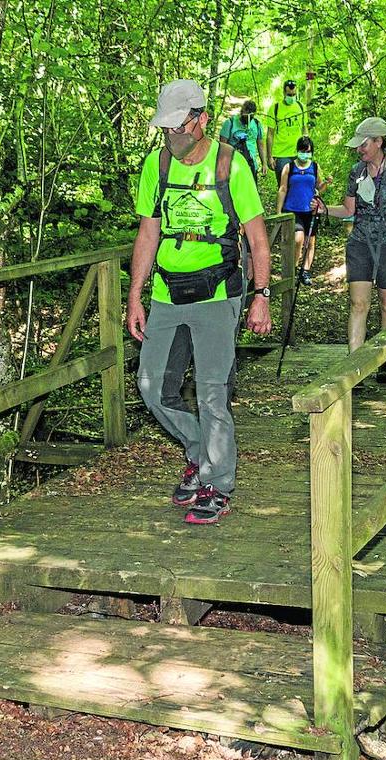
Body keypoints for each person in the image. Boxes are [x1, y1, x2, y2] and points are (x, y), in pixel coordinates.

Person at [127, 79, 272, 525]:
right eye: (166, 129)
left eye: (179, 127)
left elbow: (258, 239)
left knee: (212, 393)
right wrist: (135, 295)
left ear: (201, 119)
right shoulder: (158, 165)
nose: (173, 136)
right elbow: (148, 232)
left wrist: (261, 296)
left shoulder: (230, 164)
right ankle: (198, 451)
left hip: (219, 292)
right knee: (152, 387)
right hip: (167, 293)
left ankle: (217, 482)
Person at [316, 117, 386, 383]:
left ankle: (385, 361)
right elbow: (349, 210)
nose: (359, 150)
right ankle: (355, 365)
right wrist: (325, 209)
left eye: (363, 144)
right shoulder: (356, 172)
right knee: (358, 303)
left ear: (378, 142)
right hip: (360, 243)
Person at [276, 136, 332, 286]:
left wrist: (326, 182)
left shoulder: (314, 166)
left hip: (311, 210)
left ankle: (305, 271)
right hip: (293, 209)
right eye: (302, 151)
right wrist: (279, 211)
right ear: (297, 150)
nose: (305, 154)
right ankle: (293, 269)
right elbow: (282, 189)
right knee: (298, 238)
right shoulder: (289, 167)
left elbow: (319, 187)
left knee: (310, 241)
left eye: (308, 151)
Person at [264, 79, 307, 179]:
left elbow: (305, 130)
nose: (291, 97)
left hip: (298, 153)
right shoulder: (275, 109)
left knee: (298, 183)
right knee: (284, 186)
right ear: (284, 92)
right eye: (289, 94)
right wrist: (269, 157)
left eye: (293, 94)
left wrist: (307, 150)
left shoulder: (301, 107)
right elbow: (270, 134)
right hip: (281, 154)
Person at [219, 100, 268, 179]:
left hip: (251, 165)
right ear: (242, 112)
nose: (248, 120)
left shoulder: (257, 124)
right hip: (233, 165)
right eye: (246, 117)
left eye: (250, 117)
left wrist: (264, 163)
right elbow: (222, 146)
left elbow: (260, 145)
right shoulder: (230, 123)